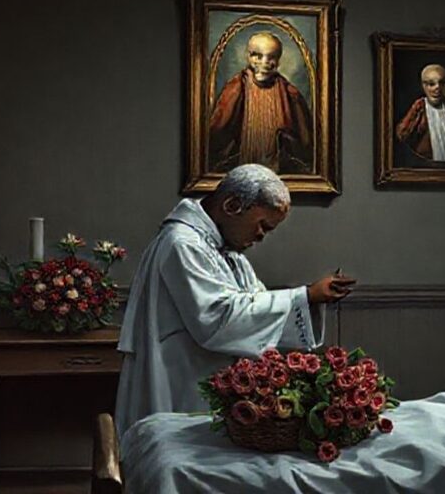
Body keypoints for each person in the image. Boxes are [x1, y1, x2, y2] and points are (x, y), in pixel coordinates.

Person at [115, 164, 354, 437]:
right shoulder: (183, 244)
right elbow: (217, 318)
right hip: (179, 375)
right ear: (232, 205)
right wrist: (306, 295)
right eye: (262, 225)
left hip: (201, 373)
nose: (262, 236)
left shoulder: (226, 251)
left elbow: (255, 303)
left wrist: (309, 300)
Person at [209, 32, 313, 174]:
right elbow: (219, 130)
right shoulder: (235, 88)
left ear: (279, 60)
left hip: (277, 170)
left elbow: (303, 141)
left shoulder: (290, 94)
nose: (265, 62)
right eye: (257, 56)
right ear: (248, 56)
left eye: (272, 57)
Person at [394, 64, 445, 168]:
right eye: (431, 84)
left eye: (442, 83)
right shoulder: (418, 109)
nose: (437, 88)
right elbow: (402, 134)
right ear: (424, 86)